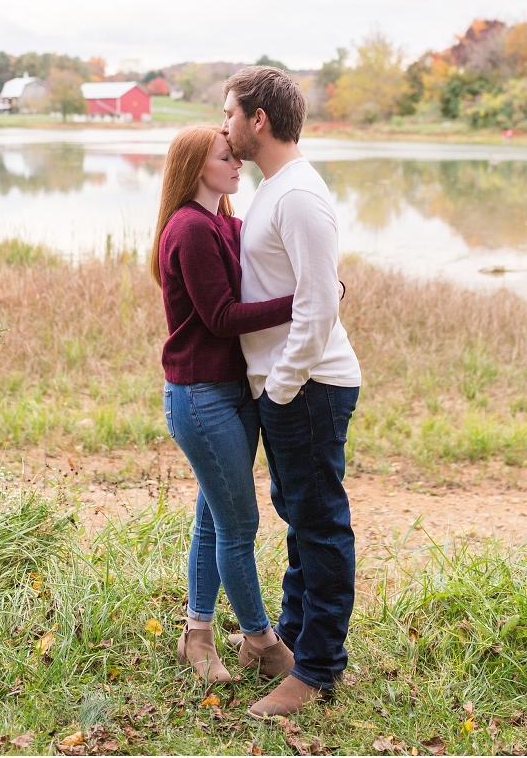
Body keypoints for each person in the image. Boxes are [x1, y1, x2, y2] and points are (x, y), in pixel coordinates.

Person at [222, 67, 361, 718]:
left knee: (320, 524)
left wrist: (278, 388)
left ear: (259, 119)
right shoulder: (277, 189)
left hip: (307, 386)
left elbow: (318, 306)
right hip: (291, 388)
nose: (223, 126)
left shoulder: (300, 194)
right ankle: (298, 637)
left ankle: (318, 669)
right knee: (301, 521)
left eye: (229, 113)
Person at [151, 124, 296, 685]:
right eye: (224, 156)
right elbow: (221, 317)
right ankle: (262, 641)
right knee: (239, 524)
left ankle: (198, 633)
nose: (237, 162)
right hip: (200, 395)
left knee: (213, 518)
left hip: (232, 392)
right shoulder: (189, 228)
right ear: (194, 168)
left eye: (236, 154)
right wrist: (301, 301)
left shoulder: (223, 223)